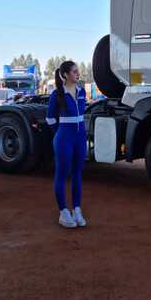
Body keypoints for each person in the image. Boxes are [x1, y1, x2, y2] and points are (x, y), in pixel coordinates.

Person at [46, 61, 88, 228]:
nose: (78, 74)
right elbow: (50, 118)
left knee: (77, 174)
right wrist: (60, 133)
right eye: (74, 71)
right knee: (62, 174)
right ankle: (63, 212)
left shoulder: (82, 91)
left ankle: (76, 209)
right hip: (64, 138)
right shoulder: (57, 94)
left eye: (78, 71)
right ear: (65, 75)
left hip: (80, 138)